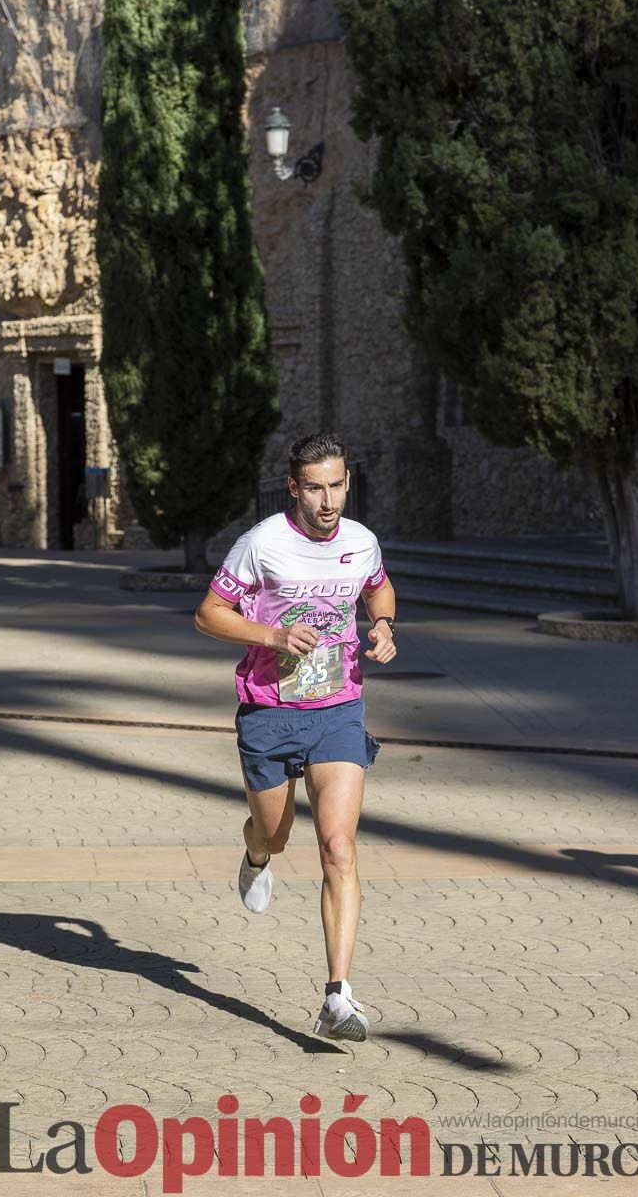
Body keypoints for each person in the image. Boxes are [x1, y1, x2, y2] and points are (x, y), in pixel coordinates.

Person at [194, 433, 396, 1042]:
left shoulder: (361, 541)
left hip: (339, 708)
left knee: (338, 847)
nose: (328, 499)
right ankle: (255, 854)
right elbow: (208, 614)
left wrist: (383, 624)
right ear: (294, 487)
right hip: (270, 712)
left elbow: (378, 586)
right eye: (315, 487)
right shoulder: (262, 543)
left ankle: (339, 998)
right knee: (276, 834)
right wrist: (273, 638)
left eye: (337, 485)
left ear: (347, 481)